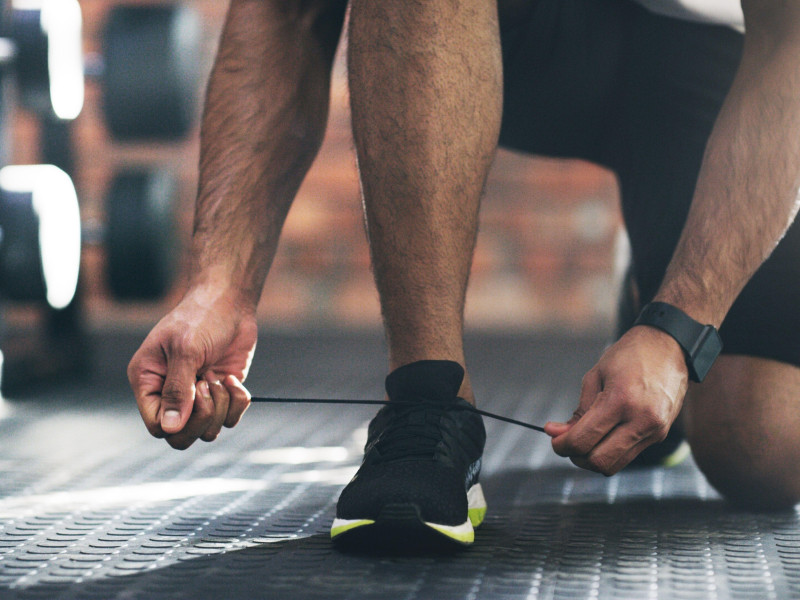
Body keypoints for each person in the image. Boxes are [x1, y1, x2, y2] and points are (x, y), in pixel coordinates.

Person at [128, 0, 800, 546]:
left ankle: (647, 296)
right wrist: (219, 283)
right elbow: (289, 11)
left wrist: (678, 328)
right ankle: (429, 401)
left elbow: (790, 46)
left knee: (765, 442)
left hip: (724, 49)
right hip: (498, 28)